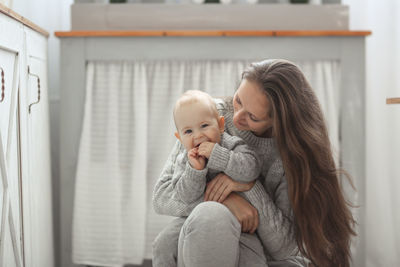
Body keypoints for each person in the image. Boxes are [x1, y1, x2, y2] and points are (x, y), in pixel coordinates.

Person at [153, 59, 356, 267]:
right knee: (204, 220)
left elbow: (282, 246)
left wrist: (249, 187)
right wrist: (227, 201)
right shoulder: (206, 117)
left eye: (253, 117)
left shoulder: (289, 154)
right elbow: (162, 198)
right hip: (209, 238)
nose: (237, 117)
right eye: (239, 100)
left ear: (278, 121)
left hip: (266, 252)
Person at [152, 90, 262, 267]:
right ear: (179, 138)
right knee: (163, 243)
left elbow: (252, 168)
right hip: (191, 219)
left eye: (204, 126)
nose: (198, 136)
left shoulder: (231, 144)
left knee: (251, 254)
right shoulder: (186, 159)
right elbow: (185, 197)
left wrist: (218, 155)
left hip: (237, 221)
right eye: (188, 131)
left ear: (220, 125)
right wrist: (195, 171)